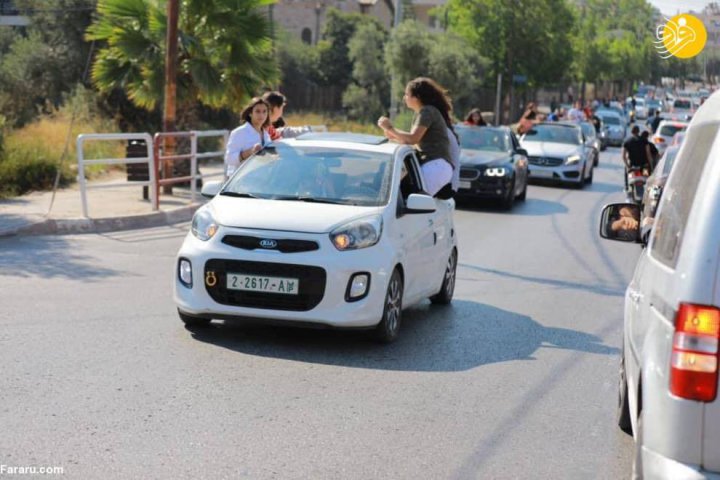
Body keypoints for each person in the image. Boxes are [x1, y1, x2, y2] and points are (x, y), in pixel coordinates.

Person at [377, 77, 455, 197]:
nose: (404, 98)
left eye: (407, 94)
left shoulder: (427, 111)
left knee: (409, 201)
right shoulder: (422, 112)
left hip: (435, 166)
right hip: (434, 165)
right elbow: (413, 141)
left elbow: (413, 138)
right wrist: (393, 135)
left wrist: (390, 128)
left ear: (417, 97)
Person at [224, 97, 272, 178]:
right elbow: (229, 159)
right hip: (240, 182)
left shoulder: (266, 135)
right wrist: (250, 152)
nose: (262, 115)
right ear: (250, 113)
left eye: (264, 111)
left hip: (261, 180)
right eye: (257, 111)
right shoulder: (239, 133)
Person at [622, 125, 653, 192]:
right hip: (644, 167)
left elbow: (623, 157)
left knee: (628, 174)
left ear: (631, 131)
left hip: (633, 167)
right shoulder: (644, 141)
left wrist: (628, 167)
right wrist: (651, 165)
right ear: (638, 132)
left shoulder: (627, 141)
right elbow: (648, 154)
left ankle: (626, 187)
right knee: (646, 180)